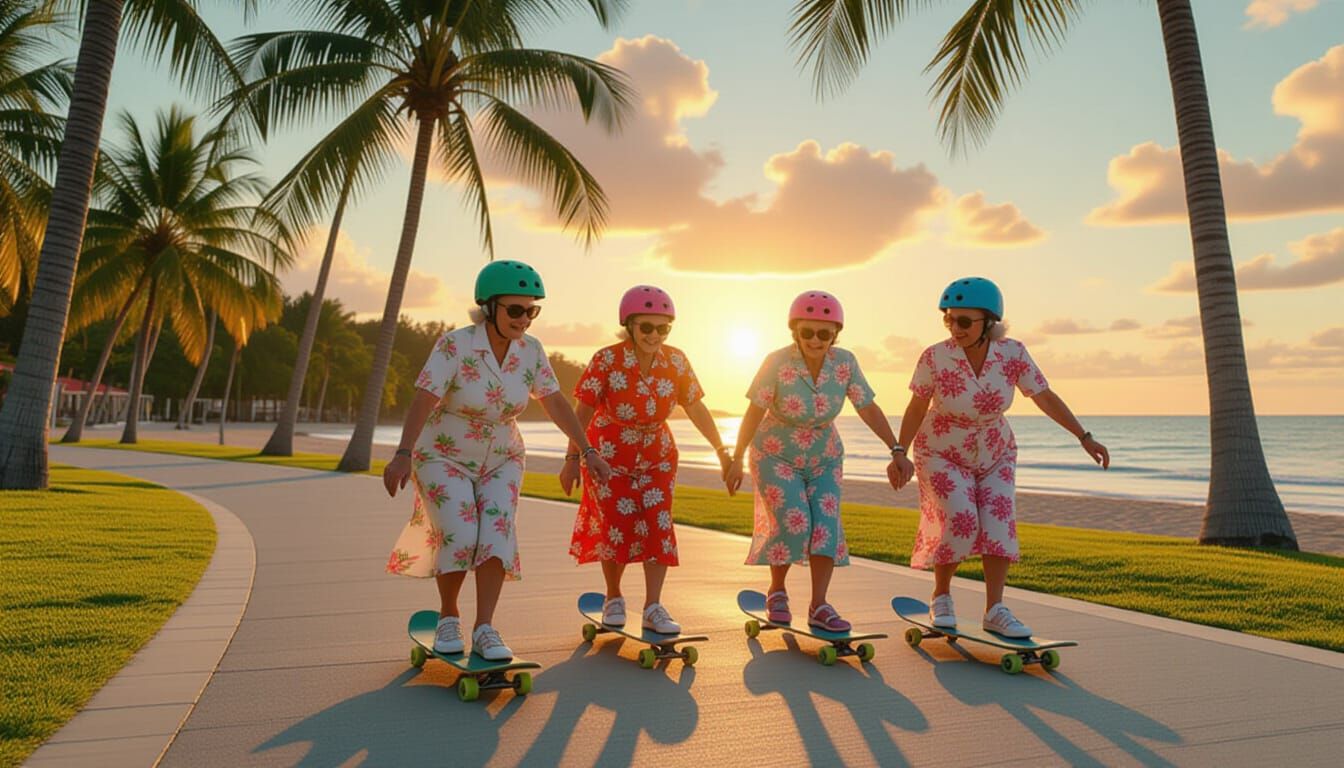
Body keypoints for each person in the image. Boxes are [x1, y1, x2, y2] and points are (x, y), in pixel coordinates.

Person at [382, 260, 611, 660]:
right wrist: (403, 454)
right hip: (443, 454)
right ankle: (449, 616)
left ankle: (485, 627)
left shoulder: (532, 351)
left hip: (503, 455)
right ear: (489, 307)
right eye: (515, 310)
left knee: (496, 534)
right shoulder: (455, 345)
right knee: (459, 530)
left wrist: (586, 451)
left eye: (531, 310)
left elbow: (554, 400)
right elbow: (425, 397)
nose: (525, 319)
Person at [889, 277, 1109, 637]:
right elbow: (916, 406)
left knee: (998, 524)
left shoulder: (1013, 353)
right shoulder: (935, 356)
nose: (954, 328)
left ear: (989, 322)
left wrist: (1083, 436)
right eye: (949, 319)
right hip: (942, 451)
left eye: (964, 321)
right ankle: (941, 597)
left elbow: (1044, 396)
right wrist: (900, 451)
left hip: (995, 452)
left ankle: (996, 609)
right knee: (960, 519)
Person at [726, 291, 902, 631]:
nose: (816, 340)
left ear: (835, 333)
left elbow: (867, 407)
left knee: (826, 527)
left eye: (825, 333)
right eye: (808, 332)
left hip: (824, 456)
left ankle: (819, 605)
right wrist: (735, 457)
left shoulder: (845, 362)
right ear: (795, 331)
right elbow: (755, 409)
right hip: (775, 451)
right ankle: (776, 592)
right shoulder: (776, 361)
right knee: (795, 522)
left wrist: (895, 448)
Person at [563, 285, 731, 634]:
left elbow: (696, 407)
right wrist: (571, 456)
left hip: (658, 455)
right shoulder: (606, 359)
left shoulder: (677, 360)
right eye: (647, 327)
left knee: (658, 525)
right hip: (606, 455)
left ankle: (654, 606)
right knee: (615, 525)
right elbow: (582, 411)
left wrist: (721, 450)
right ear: (629, 325)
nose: (655, 335)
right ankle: (613, 598)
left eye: (663, 328)